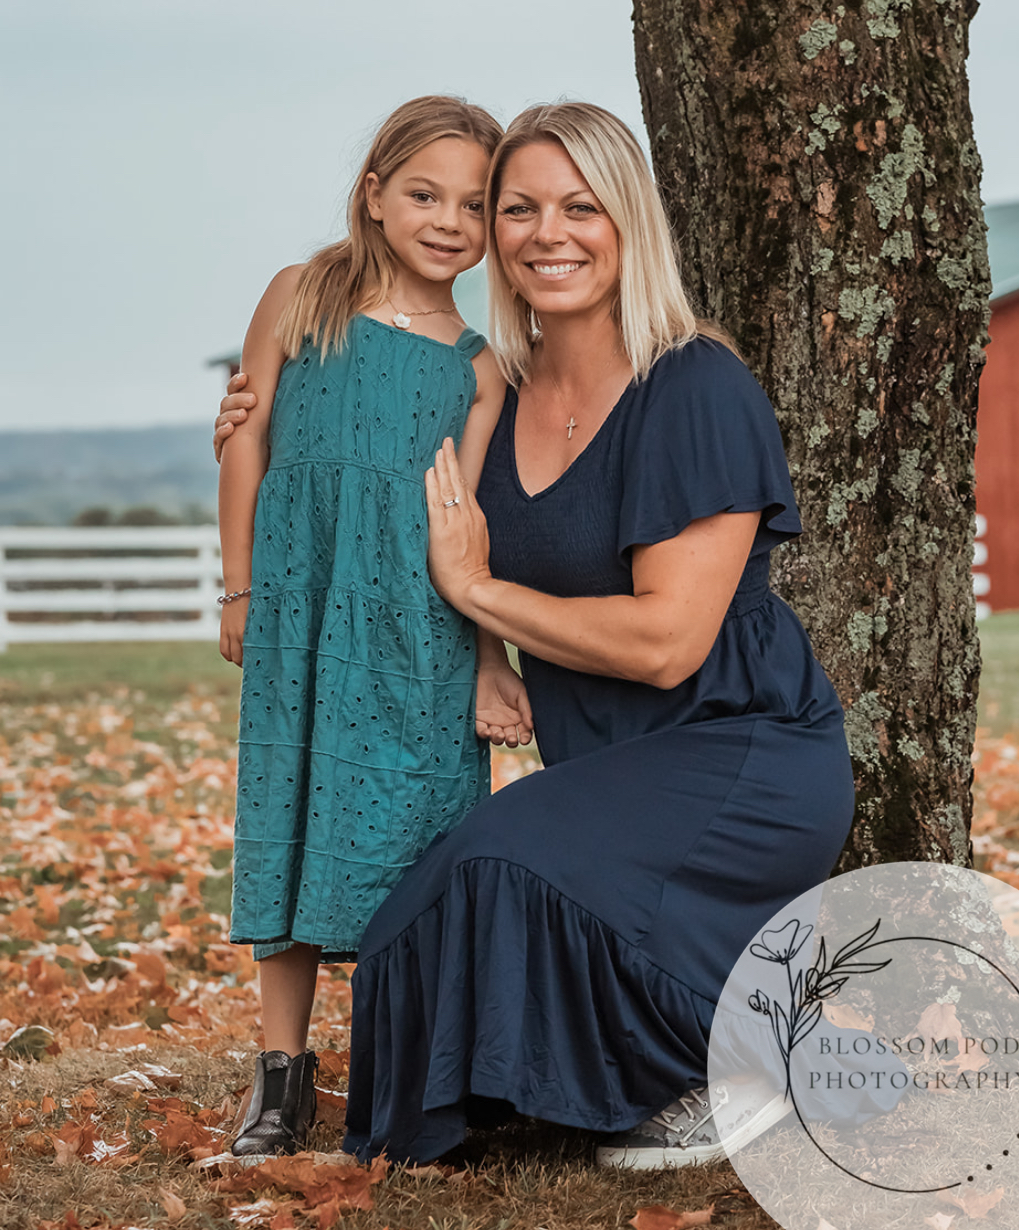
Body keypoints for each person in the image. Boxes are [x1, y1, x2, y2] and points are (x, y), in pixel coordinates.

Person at [218, 102, 855, 1172]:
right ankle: (587, 1083)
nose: (545, 232)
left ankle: (759, 1064)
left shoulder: (694, 384)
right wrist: (251, 425)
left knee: (495, 866)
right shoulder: (503, 390)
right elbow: (361, 465)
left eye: (579, 207)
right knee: (407, 922)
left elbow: (665, 645)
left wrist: (482, 602)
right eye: (521, 209)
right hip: (601, 768)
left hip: (738, 755)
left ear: (628, 223)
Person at [214, 94, 533, 1164]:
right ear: (374, 197)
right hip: (303, 605)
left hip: (417, 625)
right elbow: (244, 443)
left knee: (409, 833)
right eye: (424, 195)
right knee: (297, 816)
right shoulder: (301, 298)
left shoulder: (478, 365)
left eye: (475, 204)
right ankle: (278, 1081)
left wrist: (490, 660)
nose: (449, 221)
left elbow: (473, 523)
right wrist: (242, 588)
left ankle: (408, 1074)